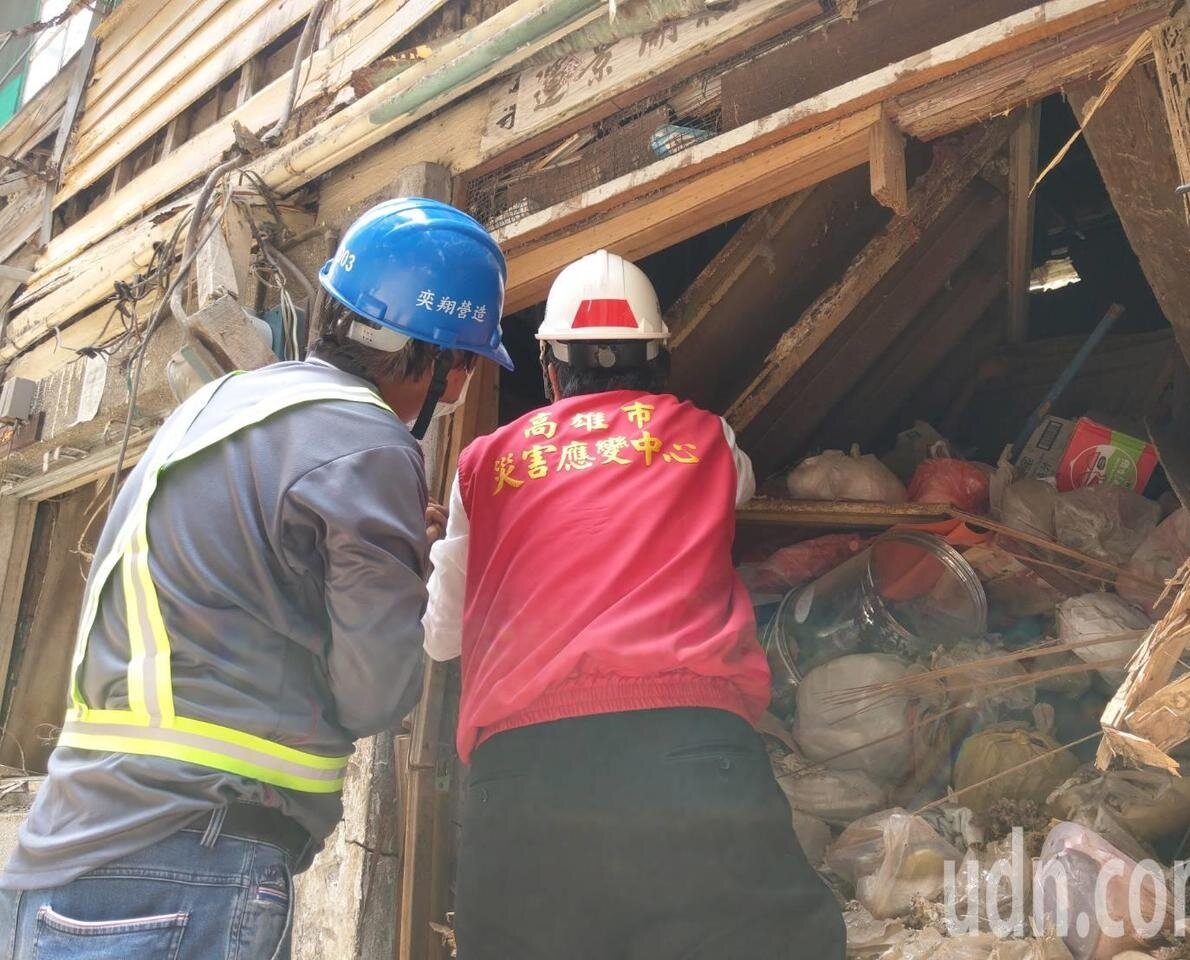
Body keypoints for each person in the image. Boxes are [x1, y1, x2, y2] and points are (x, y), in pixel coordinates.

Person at [0, 198, 511, 960]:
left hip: (68, 851)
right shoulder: (368, 442)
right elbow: (377, 691)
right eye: (465, 361)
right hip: (186, 863)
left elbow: (241, 580)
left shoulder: (223, 405)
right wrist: (407, 575)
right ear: (433, 361)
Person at [424, 249, 845, 958]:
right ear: (658, 362)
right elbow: (730, 495)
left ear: (551, 369)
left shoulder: (486, 465)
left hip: (526, 783)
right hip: (688, 758)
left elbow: (439, 638)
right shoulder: (711, 440)